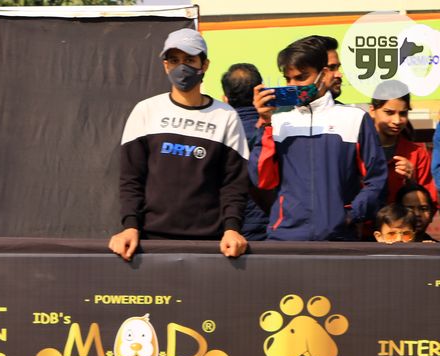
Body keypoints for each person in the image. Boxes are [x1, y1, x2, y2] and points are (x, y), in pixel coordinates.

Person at [110, 28, 249, 261]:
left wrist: (232, 228)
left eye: (189, 60)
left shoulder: (226, 116)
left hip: (212, 243)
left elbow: (234, 183)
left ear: (205, 65)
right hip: (150, 240)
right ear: (165, 66)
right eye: (174, 60)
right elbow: (131, 178)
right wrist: (130, 226)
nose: (181, 67)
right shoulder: (146, 110)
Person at [249, 36, 387, 240]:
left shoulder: (355, 118)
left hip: (339, 239)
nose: (293, 85)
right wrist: (265, 123)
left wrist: (350, 215)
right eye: (288, 79)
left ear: (323, 74)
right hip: (285, 237)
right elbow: (261, 179)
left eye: (301, 77)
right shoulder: (278, 122)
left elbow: (376, 180)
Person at [220, 62, 271, 240]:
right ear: (261, 92)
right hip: (273, 229)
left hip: (231, 233)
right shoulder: (275, 131)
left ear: (225, 98)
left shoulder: (219, 136)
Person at [368, 85, 437, 205]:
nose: (397, 121)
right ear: (372, 111)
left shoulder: (418, 154)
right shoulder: (356, 150)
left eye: (403, 113)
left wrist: (412, 183)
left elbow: (431, 204)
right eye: (389, 113)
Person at [312, 35, 343, 101]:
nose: (339, 75)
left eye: (338, 67)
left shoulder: (343, 108)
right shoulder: (291, 107)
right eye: (331, 68)